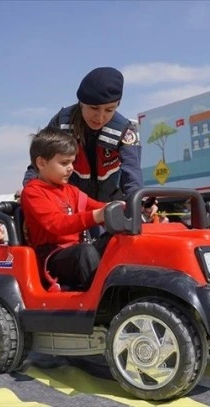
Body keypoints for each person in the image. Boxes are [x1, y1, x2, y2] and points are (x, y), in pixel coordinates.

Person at [22, 67, 143, 204]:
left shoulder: (125, 131)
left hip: (110, 206)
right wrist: (30, 189)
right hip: (70, 204)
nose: (100, 117)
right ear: (81, 103)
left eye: (109, 110)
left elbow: (133, 173)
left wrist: (137, 201)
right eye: (94, 108)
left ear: (117, 105)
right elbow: (39, 164)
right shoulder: (61, 123)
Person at [21, 126, 113, 290]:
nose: (71, 168)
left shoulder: (71, 191)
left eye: (72, 162)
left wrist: (124, 208)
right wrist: (95, 216)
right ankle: (105, 300)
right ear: (41, 163)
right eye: (64, 163)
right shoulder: (33, 192)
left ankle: (128, 286)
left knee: (116, 237)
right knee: (85, 252)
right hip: (52, 258)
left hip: (76, 253)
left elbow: (100, 207)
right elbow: (57, 224)